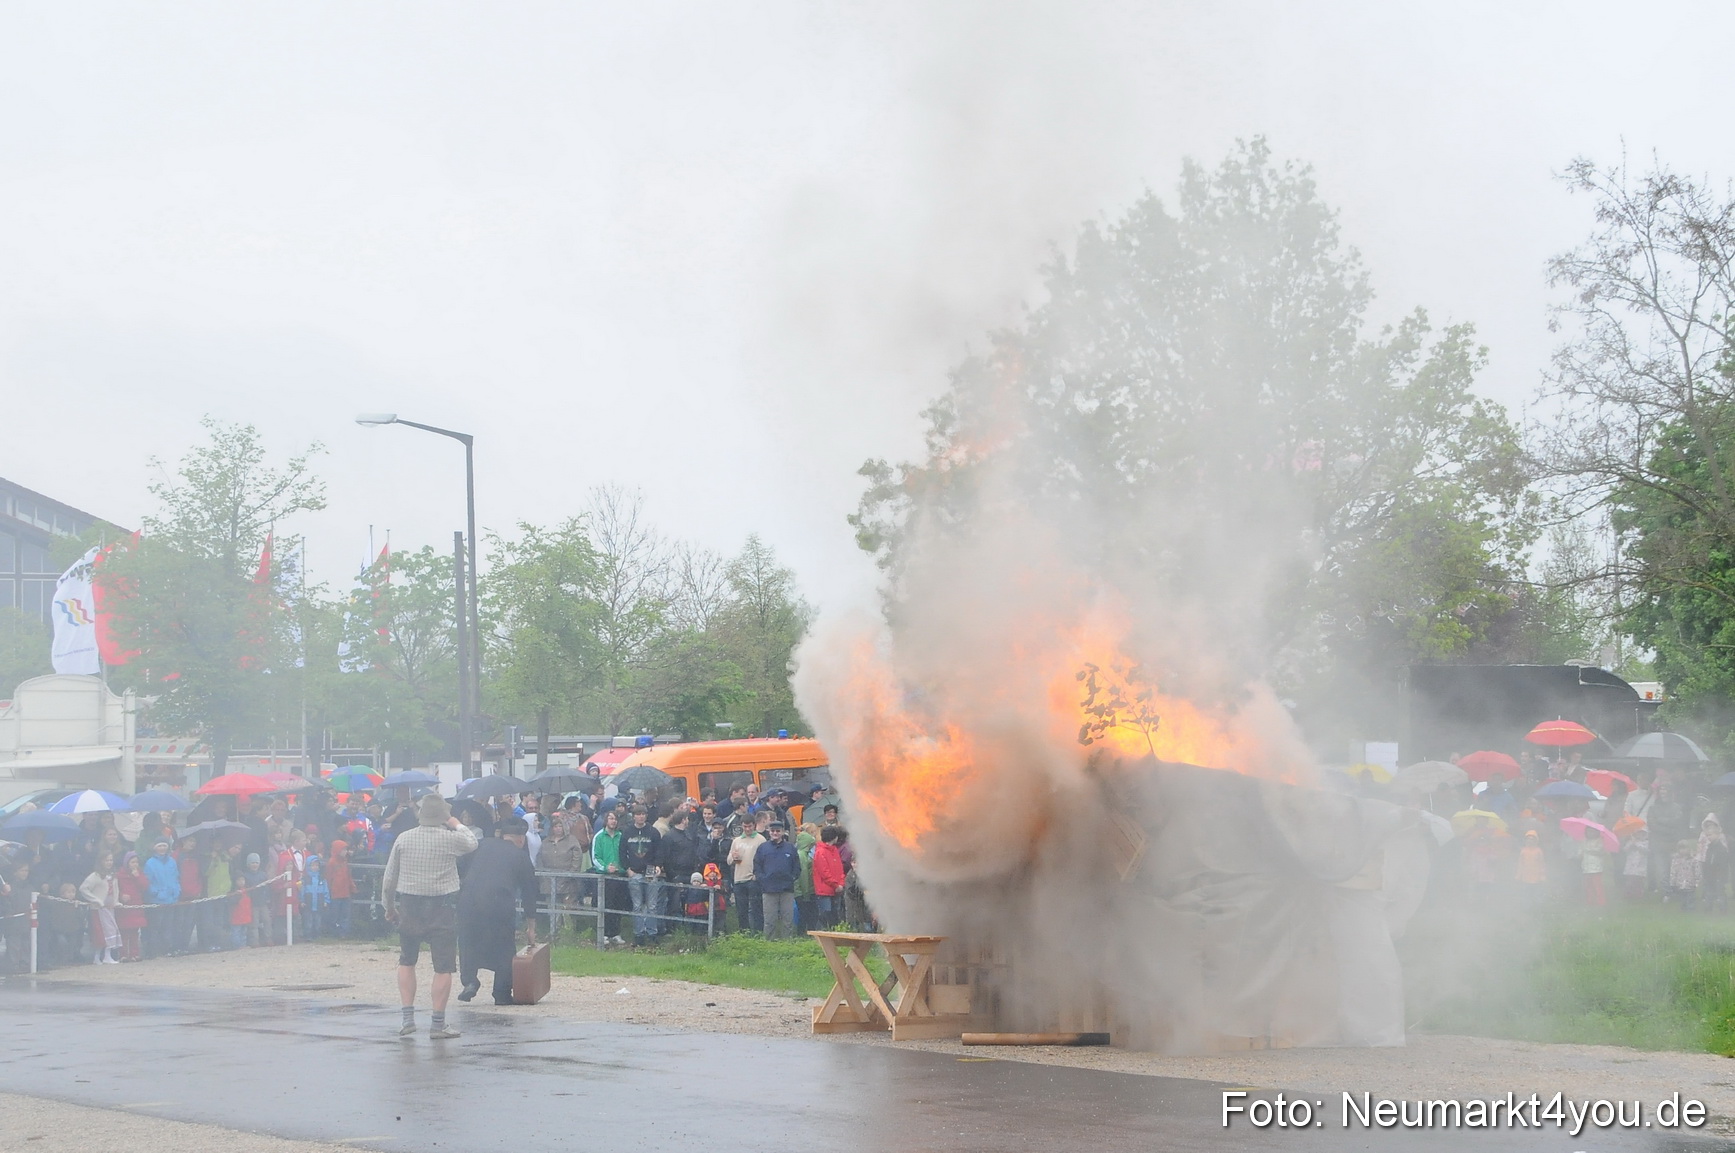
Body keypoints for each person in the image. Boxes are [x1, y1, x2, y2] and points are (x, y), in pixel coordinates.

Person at [382, 794, 480, 1040]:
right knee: (443, 966)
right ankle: (438, 1023)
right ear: (443, 815)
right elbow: (472, 842)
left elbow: (389, 878)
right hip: (441, 906)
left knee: (407, 960)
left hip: (409, 905)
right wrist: (454, 822)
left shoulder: (403, 839)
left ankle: (407, 1018)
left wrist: (389, 907)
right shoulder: (450, 839)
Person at [457, 816, 541, 1006]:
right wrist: (531, 927)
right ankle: (501, 993)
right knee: (504, 949)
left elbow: (460, 867)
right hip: (499, 905)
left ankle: (469, 981)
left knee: (468, 942)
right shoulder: (521, 856)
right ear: (520, 839)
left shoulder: (480, 845)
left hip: (468, 902)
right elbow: (530, 893)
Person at [620, 806, 662, 945]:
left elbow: (658, 852)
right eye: (638, 814)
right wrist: (628, 870)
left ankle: (652, 934)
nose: (641, 817)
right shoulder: (627, 832)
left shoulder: (653, 832)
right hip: (634, 871)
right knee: (637, 905)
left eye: (643, 814)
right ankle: (638, 935)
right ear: (633, 816)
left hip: (650, 870)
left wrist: (657, 866)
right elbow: (622, 852)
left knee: (652, 905)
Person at [754, 822, 800, 940]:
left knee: (787, 920)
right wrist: (762, 879)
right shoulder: (763, 848)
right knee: (769, 920)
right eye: (773, 831)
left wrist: (792, 878)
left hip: (787, 890)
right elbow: (757, 866)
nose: (775, 833)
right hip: (768, 889)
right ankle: (769, 945)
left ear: (783, 832)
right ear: (769, 831)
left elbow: (797, 867)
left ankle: (787, 944)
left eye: (778, 831)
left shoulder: (790, 848)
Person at [591, 810, 626, 945]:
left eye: (615, 818)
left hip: (619, 875)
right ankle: (604, 933)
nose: (613, 821)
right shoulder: (599, 837)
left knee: (618, 905)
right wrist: (606, 868)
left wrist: (622, 868)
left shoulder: (621, 836)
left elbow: (624, 854)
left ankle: (616, 933)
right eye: (610, 818)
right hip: (604, 877)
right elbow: (595, 857)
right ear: (606, 820)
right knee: (606, 904)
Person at [80, 852, 122, 964]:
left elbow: (115, 890)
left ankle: (107, 955)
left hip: (110, 908)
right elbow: (83, 889)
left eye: (111, 860)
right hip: (99, 909)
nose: (109, 862)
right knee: (101, 932)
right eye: (106, 860)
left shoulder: (113, 875)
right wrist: (95, 900)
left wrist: (116, 901)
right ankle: (97, 956)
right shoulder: (95, 875)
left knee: (111, 930)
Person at [141, 840, 181, 958]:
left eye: (164, 845)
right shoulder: (150, 863)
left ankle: (166, 948)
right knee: (155, 926)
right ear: (155, 847)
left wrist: (177, 890)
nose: (162, 848)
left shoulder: (172, 861)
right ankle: (152, 950)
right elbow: (148, 882)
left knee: (168, 926)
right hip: (156, 900)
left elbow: (176, 877)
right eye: (159, 846)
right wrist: (157, 893)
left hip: (171, 899)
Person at [727, 818, 766, 934]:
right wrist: (733, 858)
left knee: (756, 909)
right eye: (745, 826)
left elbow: (764, 859)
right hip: (739, 879)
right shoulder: (737, 841)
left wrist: (757, 875)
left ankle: (758, 934)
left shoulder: (760, 840)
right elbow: (728, 860)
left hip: (753, 879)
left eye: (750, 826)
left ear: (754, 825)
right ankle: (744, 933)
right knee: (741, 910)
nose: (747, 829)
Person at [115, 854, 149, 962]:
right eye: (132, 862)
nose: (135, 865)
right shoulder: (119, 875)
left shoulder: (139, 873)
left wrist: (137, 876)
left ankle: (135, 953)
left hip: (136, 904)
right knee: (124, 931)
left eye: (136, 862)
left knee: (135, 931)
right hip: (124, 907)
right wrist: (121, 896)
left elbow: (145, 886)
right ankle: (123, 954)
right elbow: (115, 889)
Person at [812, 825, 846, 926]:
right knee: (824, 915)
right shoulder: (820, 852)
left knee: (835, 916)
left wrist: (841, 883)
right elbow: (824, 873)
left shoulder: (834, 850)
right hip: (825, 891)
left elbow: (840, 869)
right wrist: (837, 885)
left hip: (836, 889)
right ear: (834, 837)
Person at [1700, 815, 1730, 914]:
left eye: (1711, 835)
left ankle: (1723, 909)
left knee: (1720, 892)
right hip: (1710, 875)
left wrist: (1722, 875)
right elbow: (1707, 861)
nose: (1709, 837)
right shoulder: (1709, 848)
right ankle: (1708, 909)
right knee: (1709, 892)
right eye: (1707, 835)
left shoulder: (1721, 849)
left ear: (1717, 834)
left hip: (1719, 875)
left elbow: (1724, 864)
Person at [327, 838, 354, 937]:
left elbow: (348, 876)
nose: (345, 852)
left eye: (346, 850)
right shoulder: (331, 862)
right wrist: (329, 890)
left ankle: (343, 933)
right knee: (335, 915)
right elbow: (328, 877)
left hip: (345, 892)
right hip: (335, 893)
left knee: (345, 915)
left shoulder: (344, 861)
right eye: (343, 850)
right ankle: (334, 933)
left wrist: (352, 887)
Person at [302, 855, 330, 938]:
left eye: (317, 865)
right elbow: (302, 891)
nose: (315, 867)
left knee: (318, 920)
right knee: (308, 921)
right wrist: (302, 901)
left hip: (319, 903)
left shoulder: (322, 878)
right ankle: (308, 936)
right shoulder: (305, 879)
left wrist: (326, 900)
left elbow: (326, 890)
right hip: (308, 903)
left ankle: (317, 935)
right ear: (308, 866)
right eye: (313, 865)